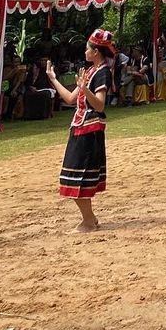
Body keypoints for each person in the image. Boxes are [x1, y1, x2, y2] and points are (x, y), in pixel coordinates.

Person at [47, 28, 115, 232]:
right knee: (72, 175)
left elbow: (100, 105)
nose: (85, 52)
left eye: (87, 48)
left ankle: (88, 221)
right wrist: (53, 79)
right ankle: (89, 219)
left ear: (95, 51)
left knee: (78, 175)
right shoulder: (89, 71)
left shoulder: (103, 72)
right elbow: (70, 99)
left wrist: (85, 89)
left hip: (89, 128)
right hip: (79, 126)